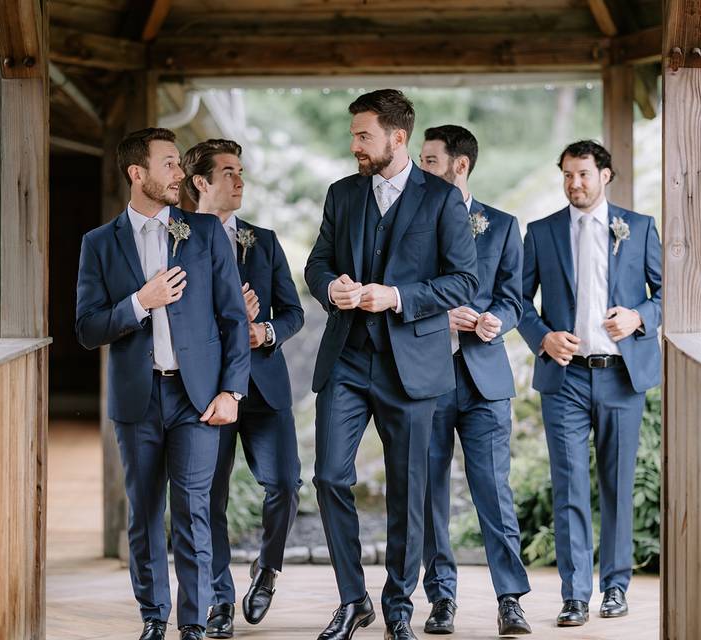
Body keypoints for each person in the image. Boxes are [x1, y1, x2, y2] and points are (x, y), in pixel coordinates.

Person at [304, 89, 478, 640]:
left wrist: (397, 296)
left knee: (408, 491)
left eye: (363, 135)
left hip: (413, 364)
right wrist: (332, 286)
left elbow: (464, 282)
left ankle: (398, 608)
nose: (354, 144)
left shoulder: (443, 200)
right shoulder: (342, 194)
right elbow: (317, 263)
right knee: (329, 475)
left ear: (397, 138)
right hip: (348, 359)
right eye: (354, 135)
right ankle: (353, 600)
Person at [75, 128, 250, 640]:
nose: (179, 174)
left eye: (178, 164)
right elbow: (87, 328)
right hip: (137, 396)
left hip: (197, 398)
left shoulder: (205, 232)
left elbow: (233, 319)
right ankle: (154, 618)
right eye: (169, 164)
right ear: (138, 173)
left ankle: (193, 622)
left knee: (193, 511)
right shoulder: (98, 244)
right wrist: (139, 303)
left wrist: (231, 390)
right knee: (145, 511)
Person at [518, 140, 662, 627]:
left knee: (617, 486)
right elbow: (518, 300)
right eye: (566, 175)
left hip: (621, 376)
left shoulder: (638, 229)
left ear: (605, 175)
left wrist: (639, 317)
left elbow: (665, 296)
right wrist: (543, 337)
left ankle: (616, 587)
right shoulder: (541, 233)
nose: (573, 183)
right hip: (567, 379)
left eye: (582, 174)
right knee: (570, 487)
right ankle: (576, 594)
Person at [180, 139, 304, 638]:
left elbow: (293, 313)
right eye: (228, 173)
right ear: (200, 183)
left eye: (241, 172)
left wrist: (262, 330)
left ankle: (267, 569)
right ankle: (219, 601)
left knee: (286, 485)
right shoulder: (175, 237)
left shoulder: (264, 241)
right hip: (207, 389)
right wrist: (228, 315)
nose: (239, 181)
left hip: (264, 385)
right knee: (209, 499)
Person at [417, 125, 531, 636]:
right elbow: (406, 294)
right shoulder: (410, 224)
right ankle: (442, 600)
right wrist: (442, 320)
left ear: (459, 166)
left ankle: (511, 599)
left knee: (493, 491)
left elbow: (514, 299)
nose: (422, 170)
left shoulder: (503, 225)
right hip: (425, 376)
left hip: (485, 378)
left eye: (430, 161)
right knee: (429, 494)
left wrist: (497, 322)